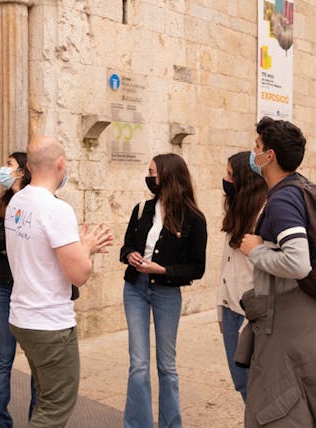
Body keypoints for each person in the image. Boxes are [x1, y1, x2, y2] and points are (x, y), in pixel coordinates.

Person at [238, 117, 316, 427]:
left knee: (277, 407)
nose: (252, 154)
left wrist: (255, 250)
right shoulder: (296, 189)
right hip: (301, 320)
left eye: (257, 147)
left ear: (269, 156)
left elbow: (298, 262)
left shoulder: (283, 198)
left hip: (288, 321)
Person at [4, 136, 113, 428]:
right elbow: (79, 274)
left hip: (22, 317)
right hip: (50, 323)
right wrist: (86, 247)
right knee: (54, 408)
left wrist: (77, 245)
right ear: (61, 164)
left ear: (28, 166)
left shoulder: (17, 201)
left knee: (45, 396)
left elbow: (41, 252)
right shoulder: (56, 209)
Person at [119, 153, 208, 428]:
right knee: (138, 364)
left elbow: (197, 267)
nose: (149, 178)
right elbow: (126, 247)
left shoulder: (193, 218)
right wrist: (131, 255)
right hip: (135, 288)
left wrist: (163, 270)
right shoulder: (141, 209)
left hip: (166, 293)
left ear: (168, 175)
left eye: (152, 172)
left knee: (166, 366)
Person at [0, 152, 35, 428]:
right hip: (2, 288)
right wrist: (10, 238)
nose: (4, 168)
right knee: (2, 359)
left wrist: (1, 238)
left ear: (23, 171)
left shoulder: (39, 204)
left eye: (9, 165)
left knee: (38, 363)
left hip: (29, 290)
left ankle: (39, 420)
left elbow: (31, 240)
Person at [217, 151, 266, 402]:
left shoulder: (265, 217)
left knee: (254, 387)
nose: (226, 180)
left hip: (251, 315)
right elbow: (225, 266)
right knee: (241, 384)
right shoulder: (237, 213)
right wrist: (219, 309)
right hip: (229, 310)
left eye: (230, 175)